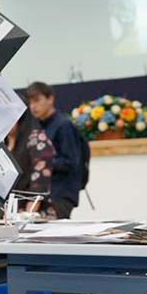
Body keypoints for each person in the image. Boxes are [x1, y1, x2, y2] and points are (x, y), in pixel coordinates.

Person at [26, 81, 83, 219]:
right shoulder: (35, 126)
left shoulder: (64, 125)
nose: (33, 106)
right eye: (30, 102)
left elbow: (70, 162)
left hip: (59, 195)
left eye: (37, 100)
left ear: (50, 98)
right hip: (42, 194)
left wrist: (41, 164)